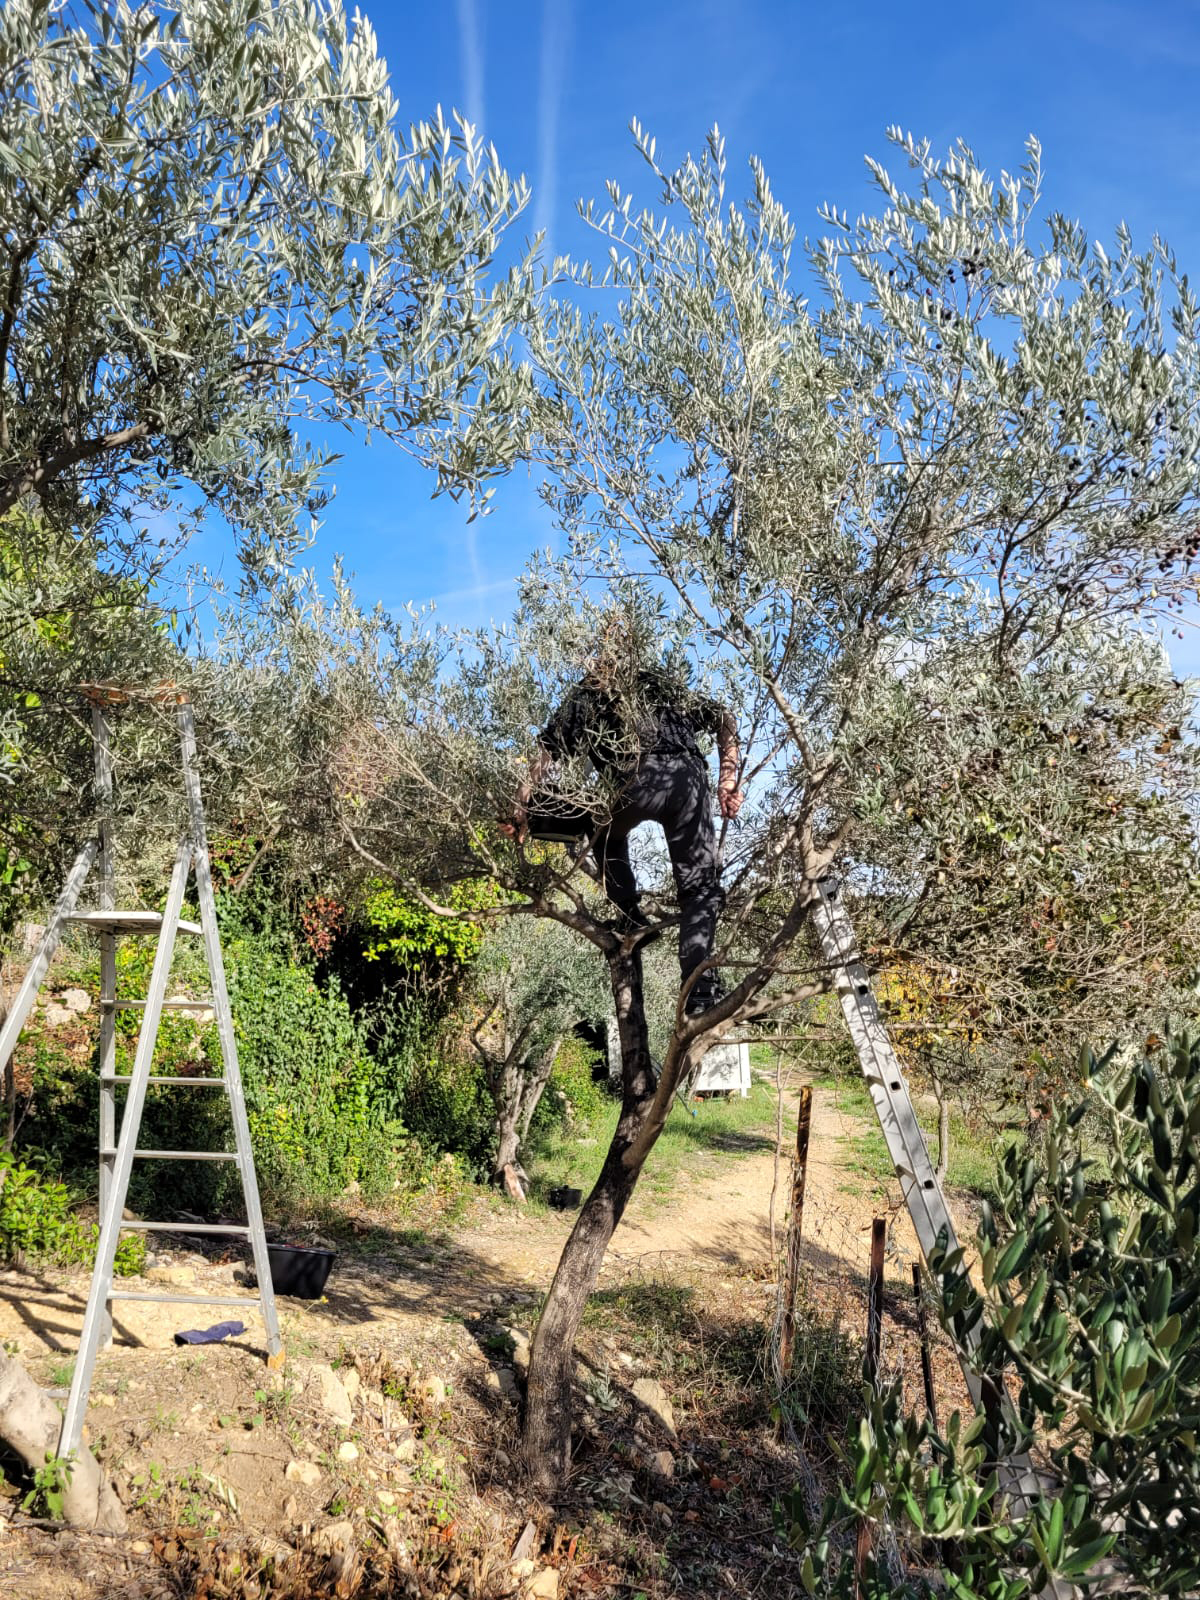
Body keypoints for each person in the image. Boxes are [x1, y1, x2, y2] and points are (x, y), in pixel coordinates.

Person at [504, 638, 745, 1016]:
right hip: (686, 780)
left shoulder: (585, 693)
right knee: (699, 886)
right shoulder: (660, 682)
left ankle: (630, 914)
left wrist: (520, 808)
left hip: (630, 782)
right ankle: (699, 989)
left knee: (599, 829)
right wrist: (728, 779)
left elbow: (546, 756)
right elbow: (724, 718)